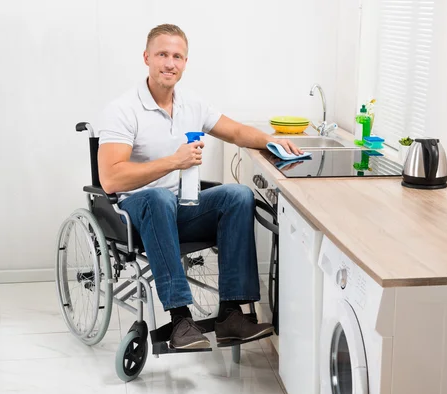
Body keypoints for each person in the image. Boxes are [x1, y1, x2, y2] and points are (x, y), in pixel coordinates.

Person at [96, 23, 303, 349]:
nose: (169, 63)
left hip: (177, 206)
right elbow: (111, 178)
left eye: (177, 56)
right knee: (160, 197)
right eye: (162, 54)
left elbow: (234, 132)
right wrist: (173, 162)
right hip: (136, 211)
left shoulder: (191, 103)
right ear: (146, 57)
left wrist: (271, 139)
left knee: (237, 195)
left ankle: (232, 315)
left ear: (185, 62)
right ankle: (180, 319)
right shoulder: (123, 110)